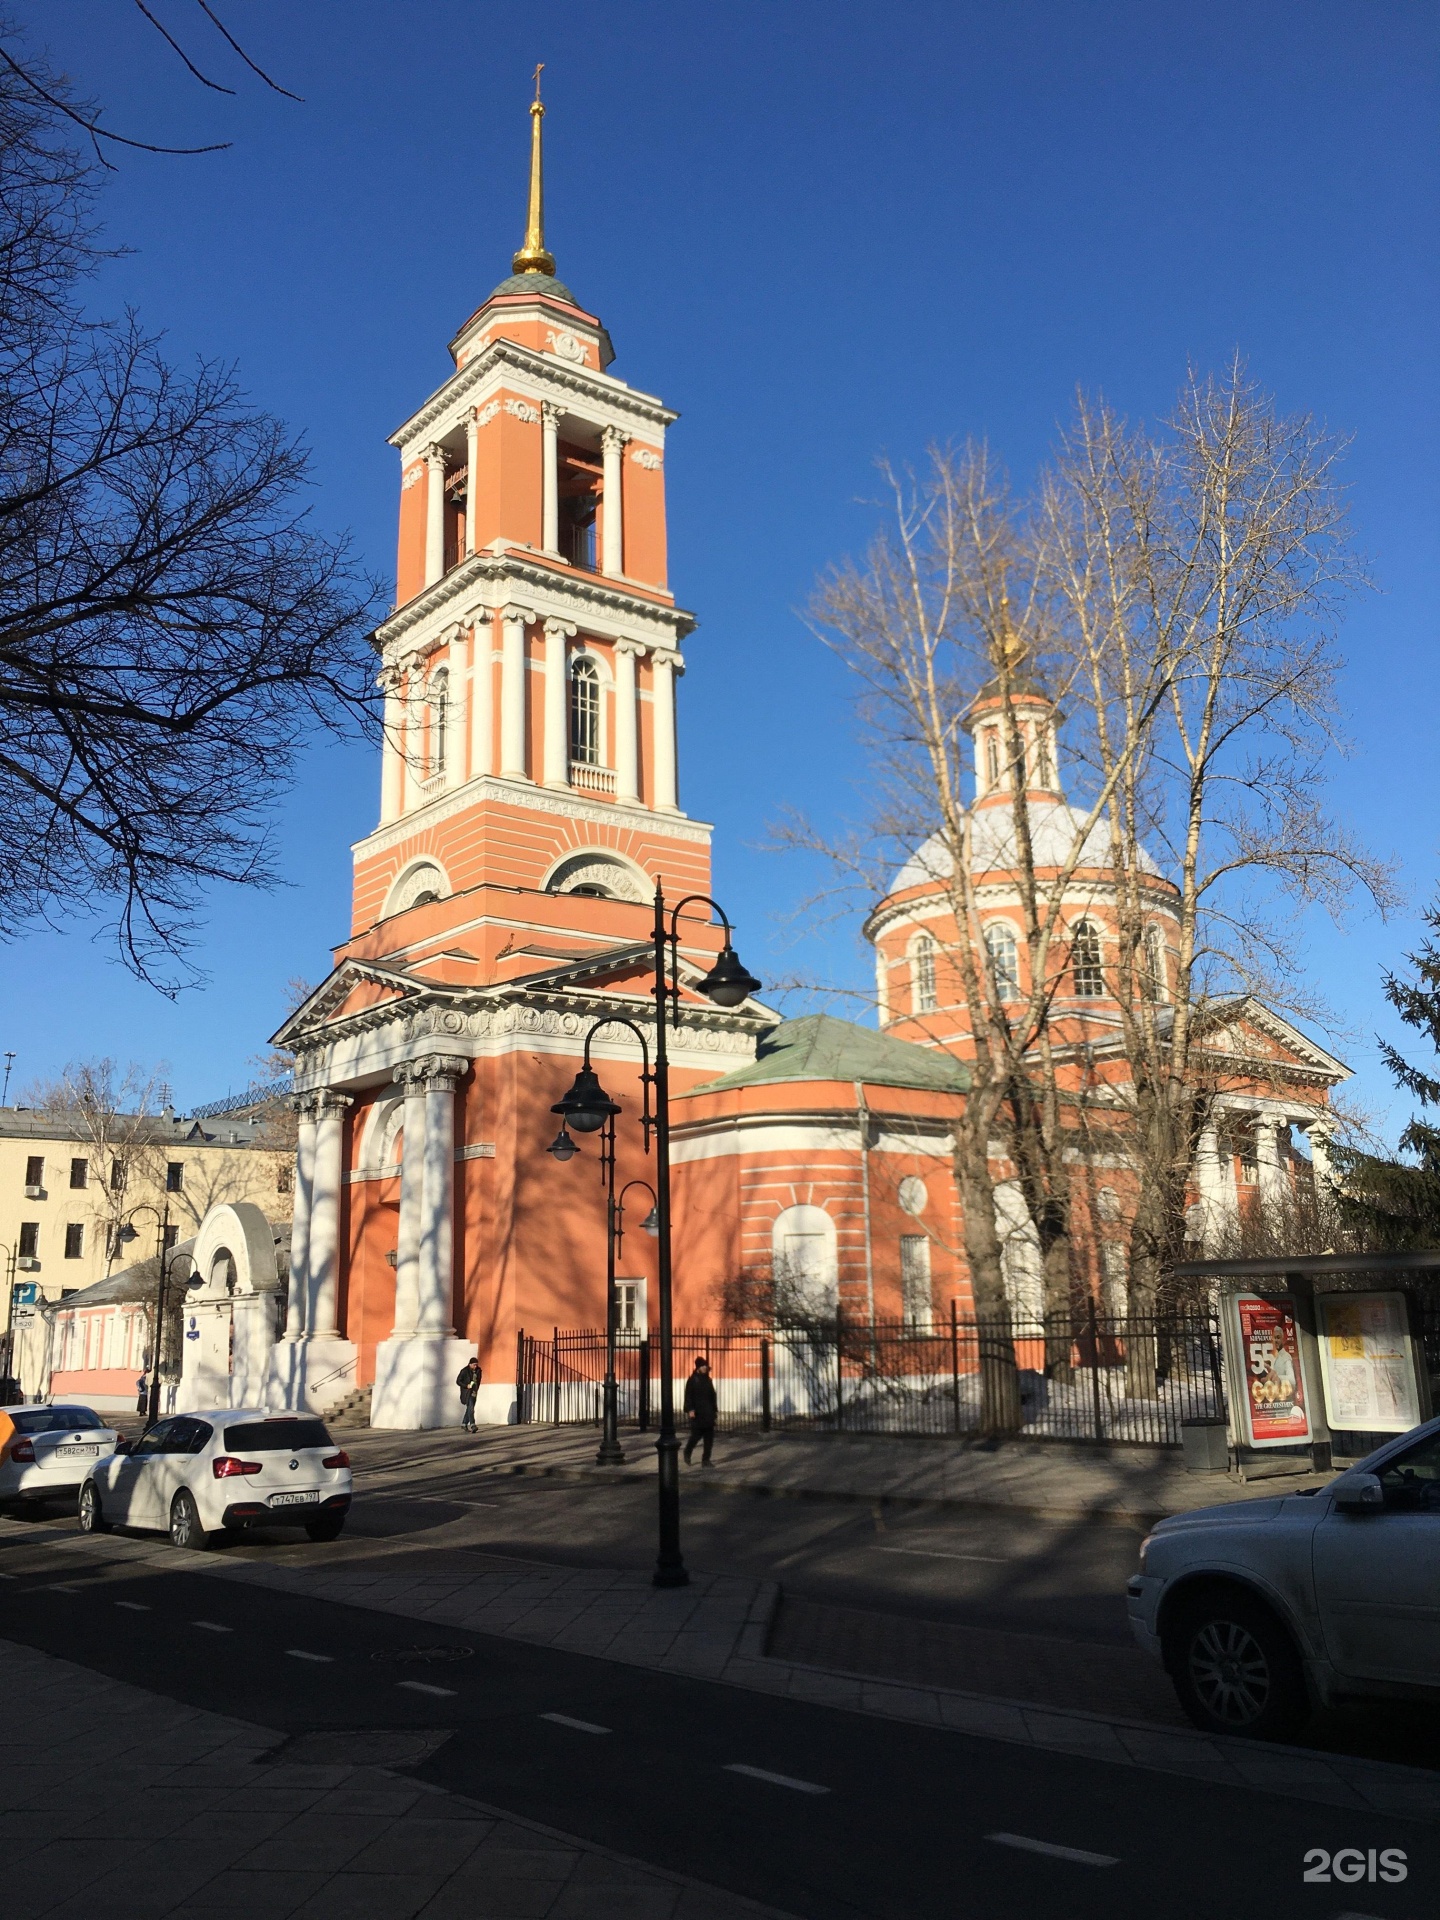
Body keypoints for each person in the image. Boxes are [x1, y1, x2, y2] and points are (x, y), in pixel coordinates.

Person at [683, 1355, 718, 1466]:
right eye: (703, 1366)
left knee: (709, 1438)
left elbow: (713, 1395)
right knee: (696, 1436)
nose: (705, 1368)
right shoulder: (692, 1380)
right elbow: (688, 1396)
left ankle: (706, 1460)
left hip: (708, 1412)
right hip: (698, 1413)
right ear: (698, 1368)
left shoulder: (708, 1380)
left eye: (706, 1366)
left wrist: (714, 1410)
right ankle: (687, 1451)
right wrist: (690, 1409)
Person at [456, 1357, 481, 1433]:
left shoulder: (478, 1370)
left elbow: (478, 1380)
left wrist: (476, 1388)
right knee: (471, 1408)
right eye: (474, 1365)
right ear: (470, 1364)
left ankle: (464, 1424)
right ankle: (473, 1424)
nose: (475, 1366)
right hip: (467, 1392)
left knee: (470, 1408)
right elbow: (458, 1381)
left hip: (474, 1391)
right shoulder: (464, 1371)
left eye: (476, 1365)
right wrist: (466, 1386)